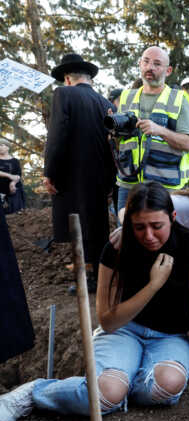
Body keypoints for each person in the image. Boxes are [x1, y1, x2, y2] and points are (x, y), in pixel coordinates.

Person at [0, 182, 189, 421]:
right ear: (128, 223)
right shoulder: (116, 250)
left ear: (173, 218)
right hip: (123, 332)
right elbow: (108, 321)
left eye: (157, 226)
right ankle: (35, 393)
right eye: (139, 227)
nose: (149, 235)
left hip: (170, 337)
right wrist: (153, 285)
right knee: (106, 394)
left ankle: (122, 385)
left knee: (167, 386)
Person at [43, 53, 116, 294]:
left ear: (67, 78)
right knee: (97, 225)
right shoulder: (105, 103)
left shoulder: (63, 94)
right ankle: (101, 274)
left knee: (77, 225)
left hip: (71, 175)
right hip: (100, 175)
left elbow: (57, 135)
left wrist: (49, 172)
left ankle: (85, 276)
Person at [115, 46, 189, 213]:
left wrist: (161, 130)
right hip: (128, 182)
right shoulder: (126, 96)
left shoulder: (179, 99)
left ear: (168, 70)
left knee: (160, 236)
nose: (150, 67)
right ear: (139, 64)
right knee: (126, 235)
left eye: (157, 64)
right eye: (146, 61)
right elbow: (121, 142)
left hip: (164, 186)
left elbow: (188, 144)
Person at [0, 139, 24, 214]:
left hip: (12, 189)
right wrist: (9, 176)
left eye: (1, 145)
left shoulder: (15, 161)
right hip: (0, 189)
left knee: (18, 187)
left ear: (7, 147)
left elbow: (18, 175)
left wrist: (13, 183)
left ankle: (18, 210)